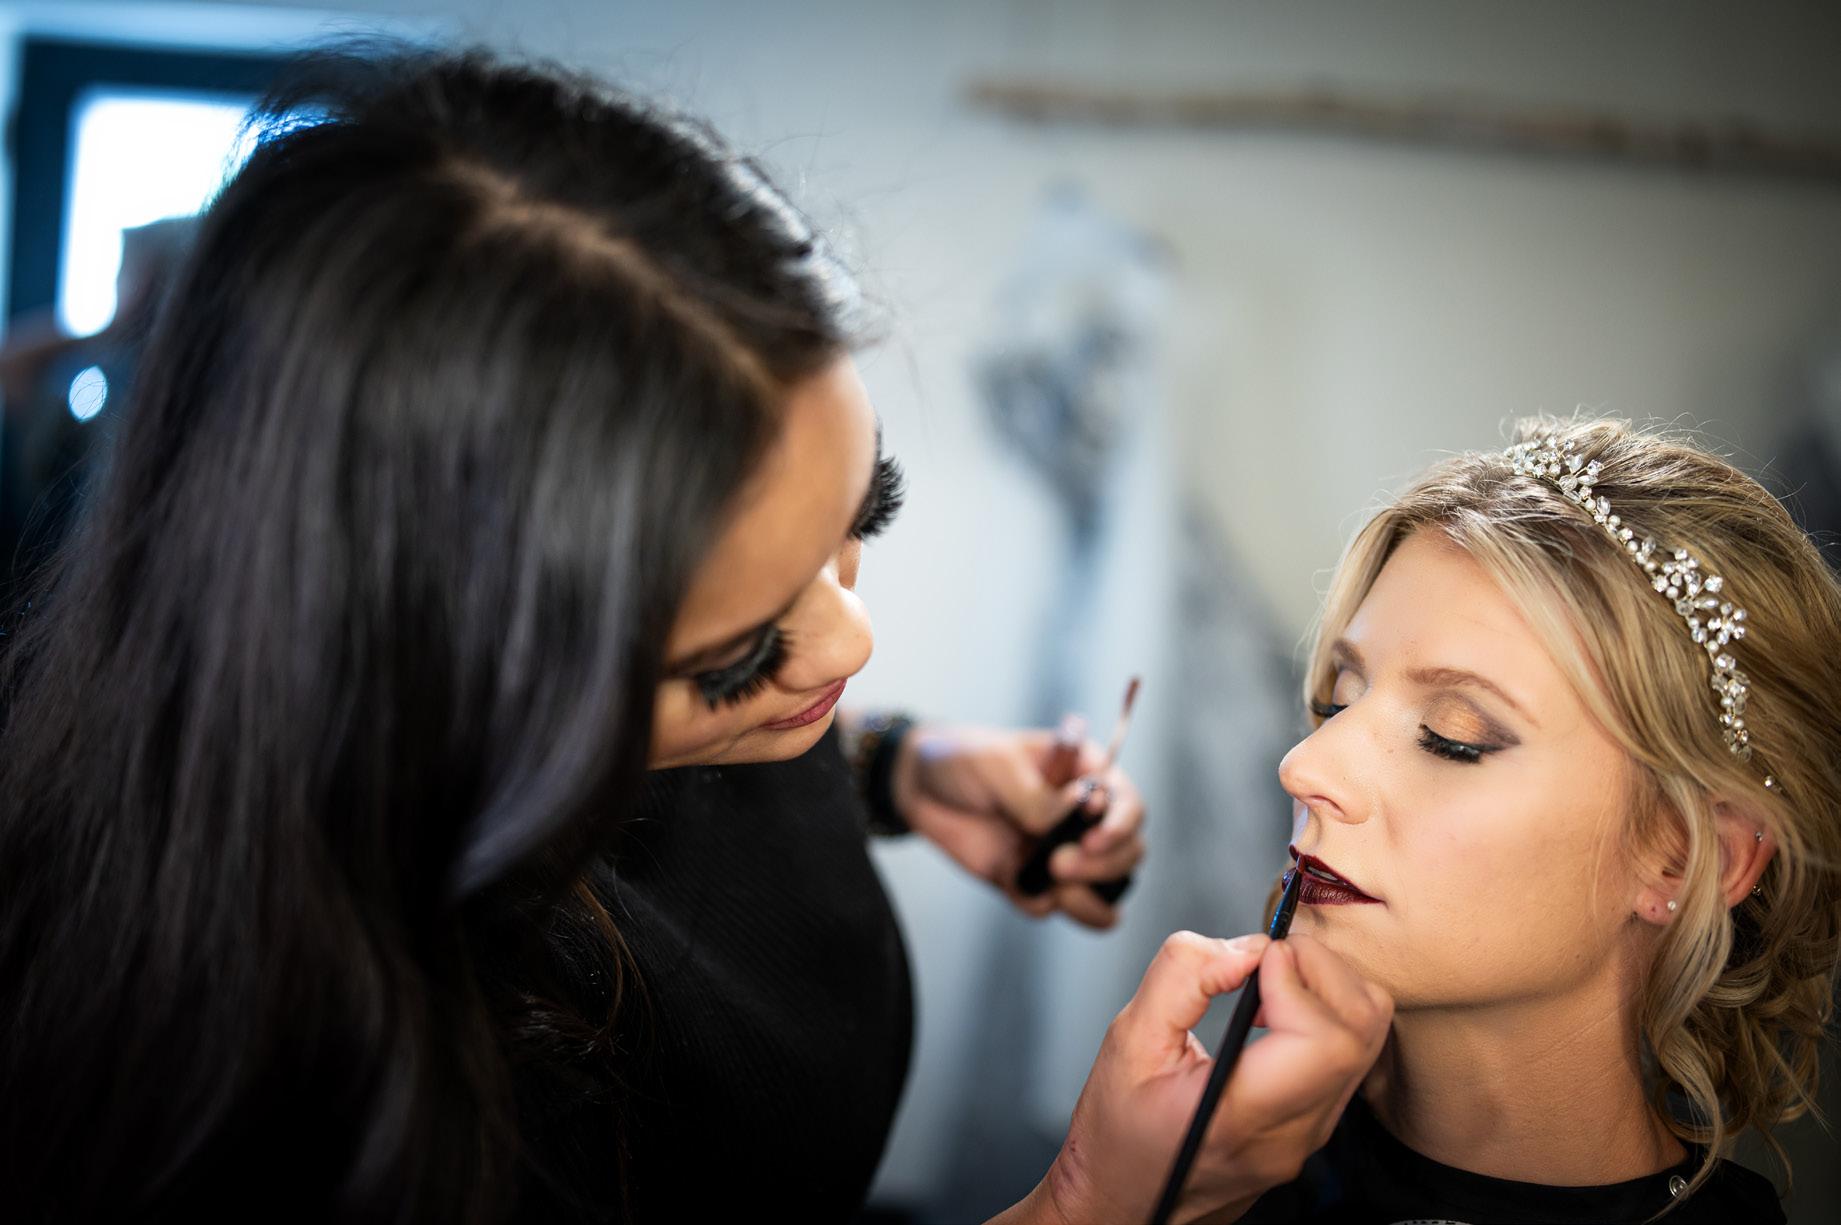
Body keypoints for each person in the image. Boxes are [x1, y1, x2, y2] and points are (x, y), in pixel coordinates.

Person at [0, 45, 1388, 1224]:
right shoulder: (316, 1108)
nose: (847, 647)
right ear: (434, 677)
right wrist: (1086, 1202)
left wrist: (899, 768)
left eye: (859, 519)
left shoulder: (635, 711)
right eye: (732, 658)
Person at [1240, 417, 1841, 1222]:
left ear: (1684, 856)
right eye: (1338, 701)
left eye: (1452, 737)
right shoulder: (1214, 1170)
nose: (1305, 766)